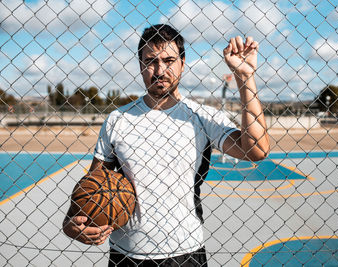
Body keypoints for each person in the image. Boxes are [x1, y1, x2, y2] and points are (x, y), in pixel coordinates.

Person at [63, 24, 269, 266]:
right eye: (150, 61)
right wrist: (70, 224)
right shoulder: (117, 120)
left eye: (169, 60)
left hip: (185, 252)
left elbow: (256, 150)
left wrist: (244, 76)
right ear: (140, 65)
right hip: (126, 254)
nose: (159, 70)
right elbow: (92, 184)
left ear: (183, 62)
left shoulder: (201, 117)